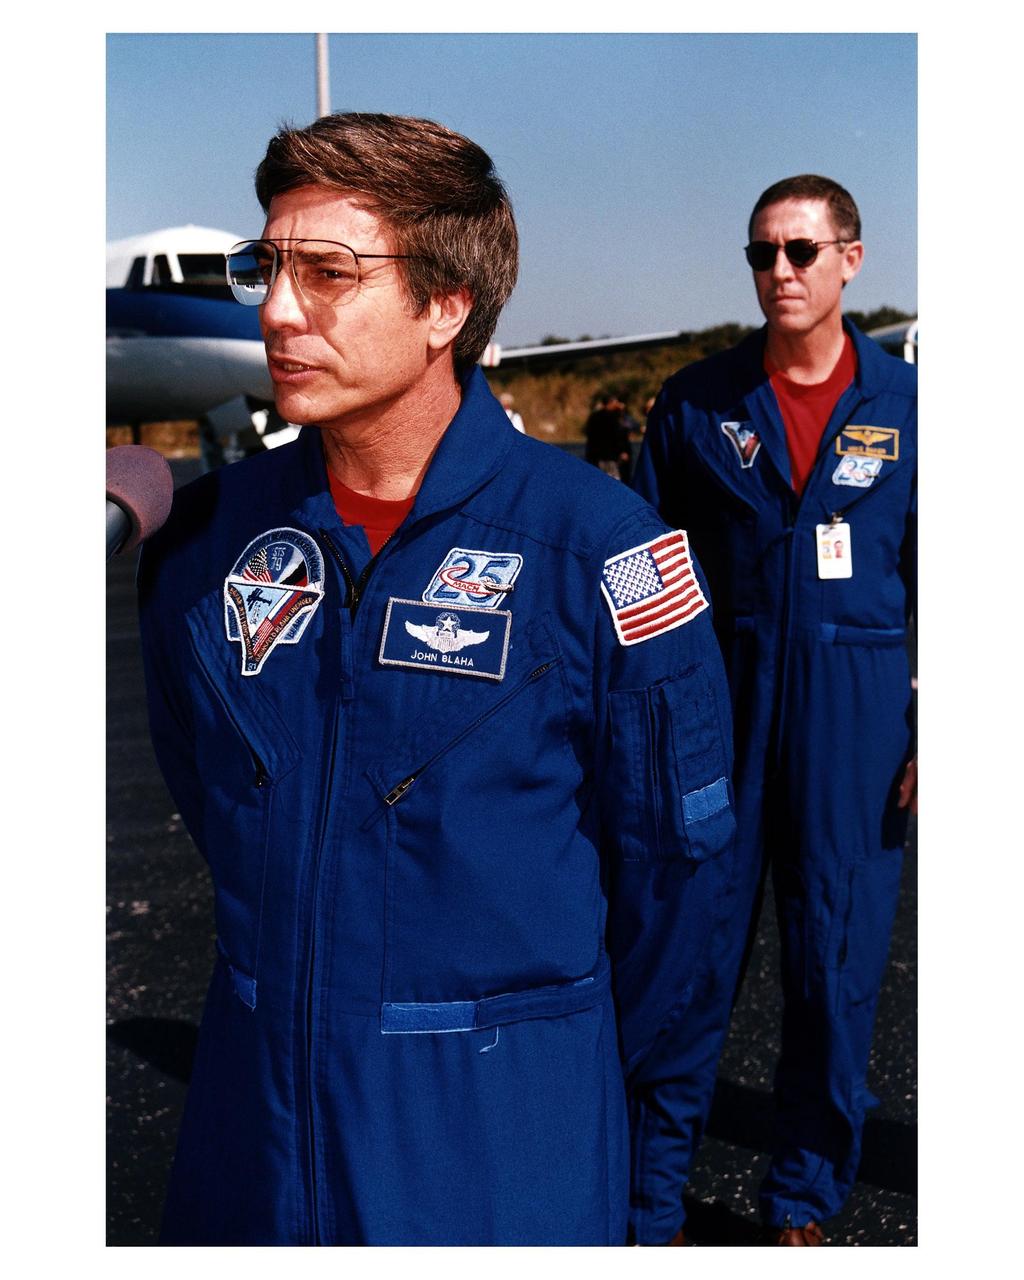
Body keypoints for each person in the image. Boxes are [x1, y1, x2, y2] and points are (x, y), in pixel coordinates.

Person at [137, 112, 736, 1246]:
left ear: (445, 307)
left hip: (497, 1152)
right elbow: (213, 790)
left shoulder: (601, 554)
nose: (273, 307)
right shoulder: (205, 543)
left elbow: (678, 900)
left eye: (327, 272)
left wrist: (539, 1073)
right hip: (249, 1143)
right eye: (266, 265)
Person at [632, 174, 916, 1246]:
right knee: (684, 957)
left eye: (800, 251)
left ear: (849, 256)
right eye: (761, 255)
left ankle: (801, 1190)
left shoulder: (909, 407)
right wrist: (645, 725)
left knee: (835, 966)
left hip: (855, 719)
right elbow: (644, 572)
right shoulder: (695, 402)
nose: (779, 273)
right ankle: (647, 1199)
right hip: (721, 709)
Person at [583, 393, 632, 480]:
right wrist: (622, 451)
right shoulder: (613, 417)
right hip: (610, 456)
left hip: (598, 455)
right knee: (613, 479)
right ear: (610, 403)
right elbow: (619, 434)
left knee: (601, 478)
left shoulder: (595, 416)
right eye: (615, 402)